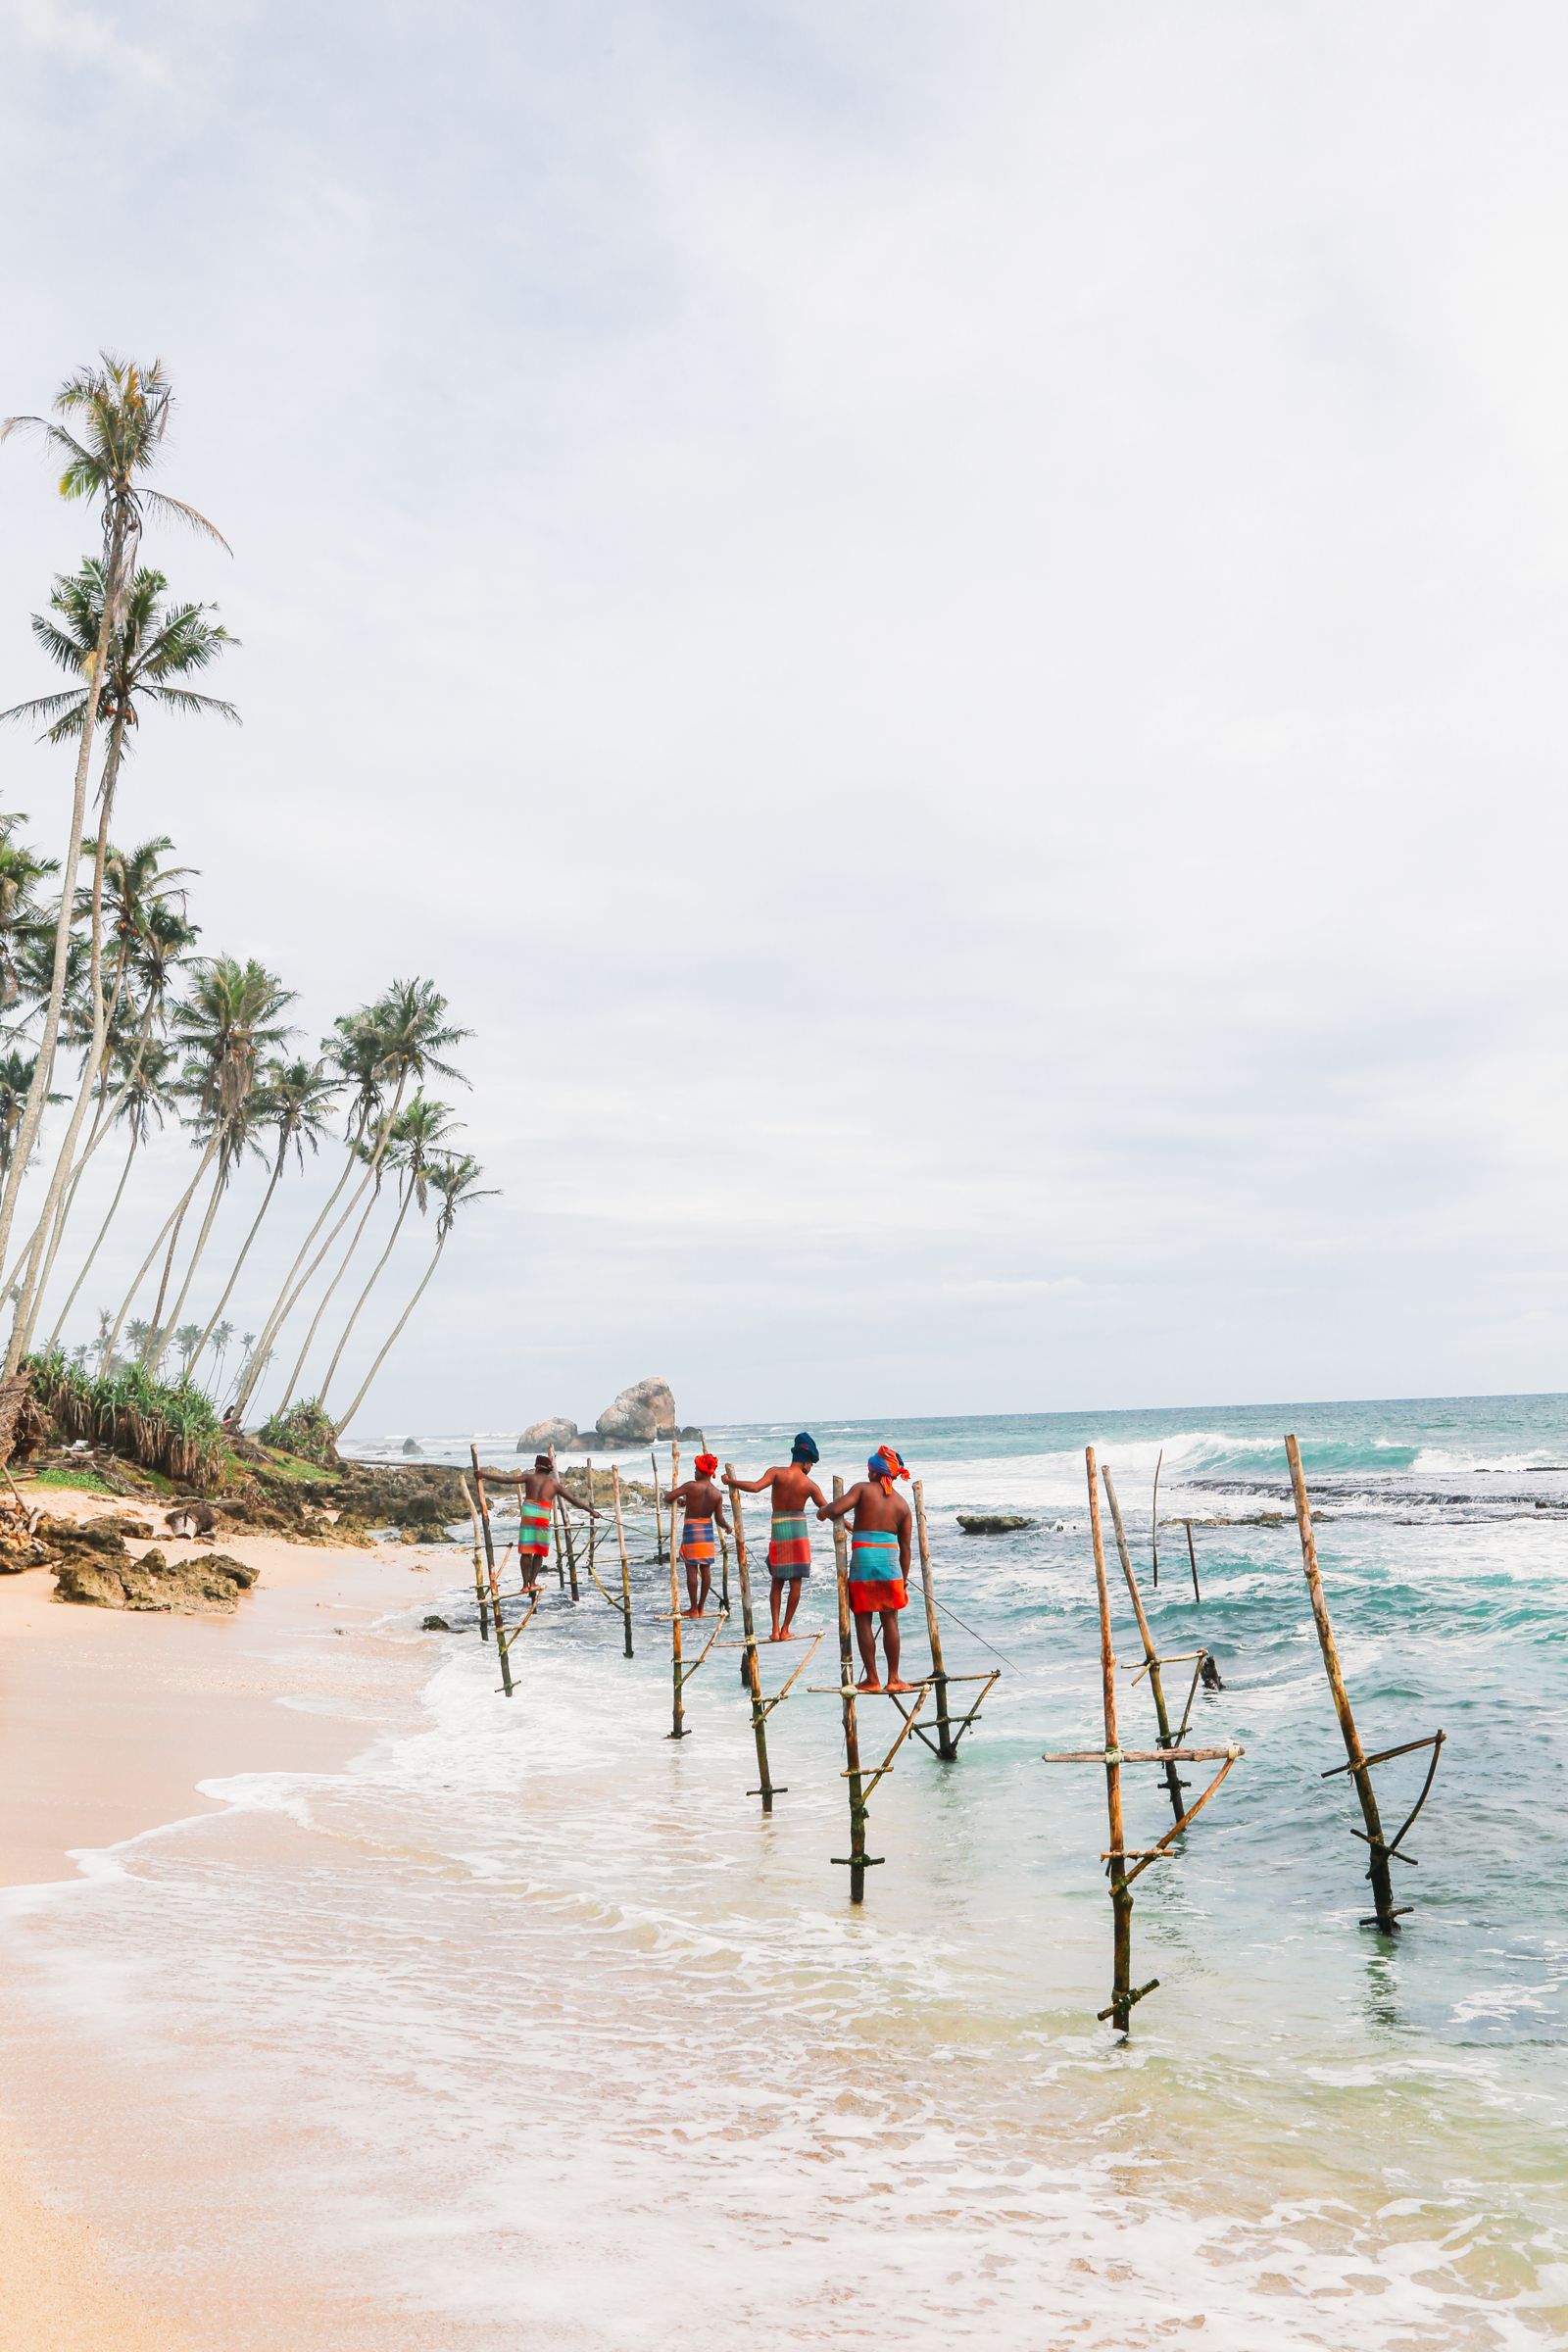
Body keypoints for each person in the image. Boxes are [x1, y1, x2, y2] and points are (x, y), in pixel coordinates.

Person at [819, 1445, 913, 1692]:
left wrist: (822, 1511)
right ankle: (894, 1679)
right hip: (891, 1567)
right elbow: (906, 1548)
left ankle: (872, 1679)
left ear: (873, 1472)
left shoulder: (862, 1489)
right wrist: (903, 1579)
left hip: (863, 1565)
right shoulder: (903, 1505)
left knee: (863, 1620)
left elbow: (836, 1510)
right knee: (890, 1621)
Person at [730, 1432, 827, 1640]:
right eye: (811, 1464)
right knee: (795, 1584)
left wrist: (731, 1482)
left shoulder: (776, 1473)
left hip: (779, 1531)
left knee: (777, 1582)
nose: (811, 1469)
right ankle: (785, 1630)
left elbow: (755, 1487)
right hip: (799, 1534)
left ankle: (774, 1630)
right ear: (806, 1461)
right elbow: (828, 1510)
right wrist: (848, 1525)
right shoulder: (810, 1485)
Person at [516, 1454, 597, 1593]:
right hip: (542, 1515)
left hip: (528, 1513)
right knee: (538, 1551)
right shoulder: (553, 1484)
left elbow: (505, 1480)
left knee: (526, 1550)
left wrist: (483, 1475)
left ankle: (525, 1585)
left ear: (537, 1467)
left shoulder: (529, 1477)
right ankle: (533, 1582)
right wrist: (591, 1511)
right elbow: (574, 1500)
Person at [665, 1452, 730, 1617]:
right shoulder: (716, 1493)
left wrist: (681, 1499)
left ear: (703, 1471)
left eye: (696, 1469)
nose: (695, 1472)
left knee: (692, 1570)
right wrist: (728, 1527)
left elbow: (668, 1497)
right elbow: (719, 1519)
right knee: (706, 1569)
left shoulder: (691, 1486)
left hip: (692, 1530)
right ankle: (701, 1608)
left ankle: (693, 1608)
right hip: (707, 1531)